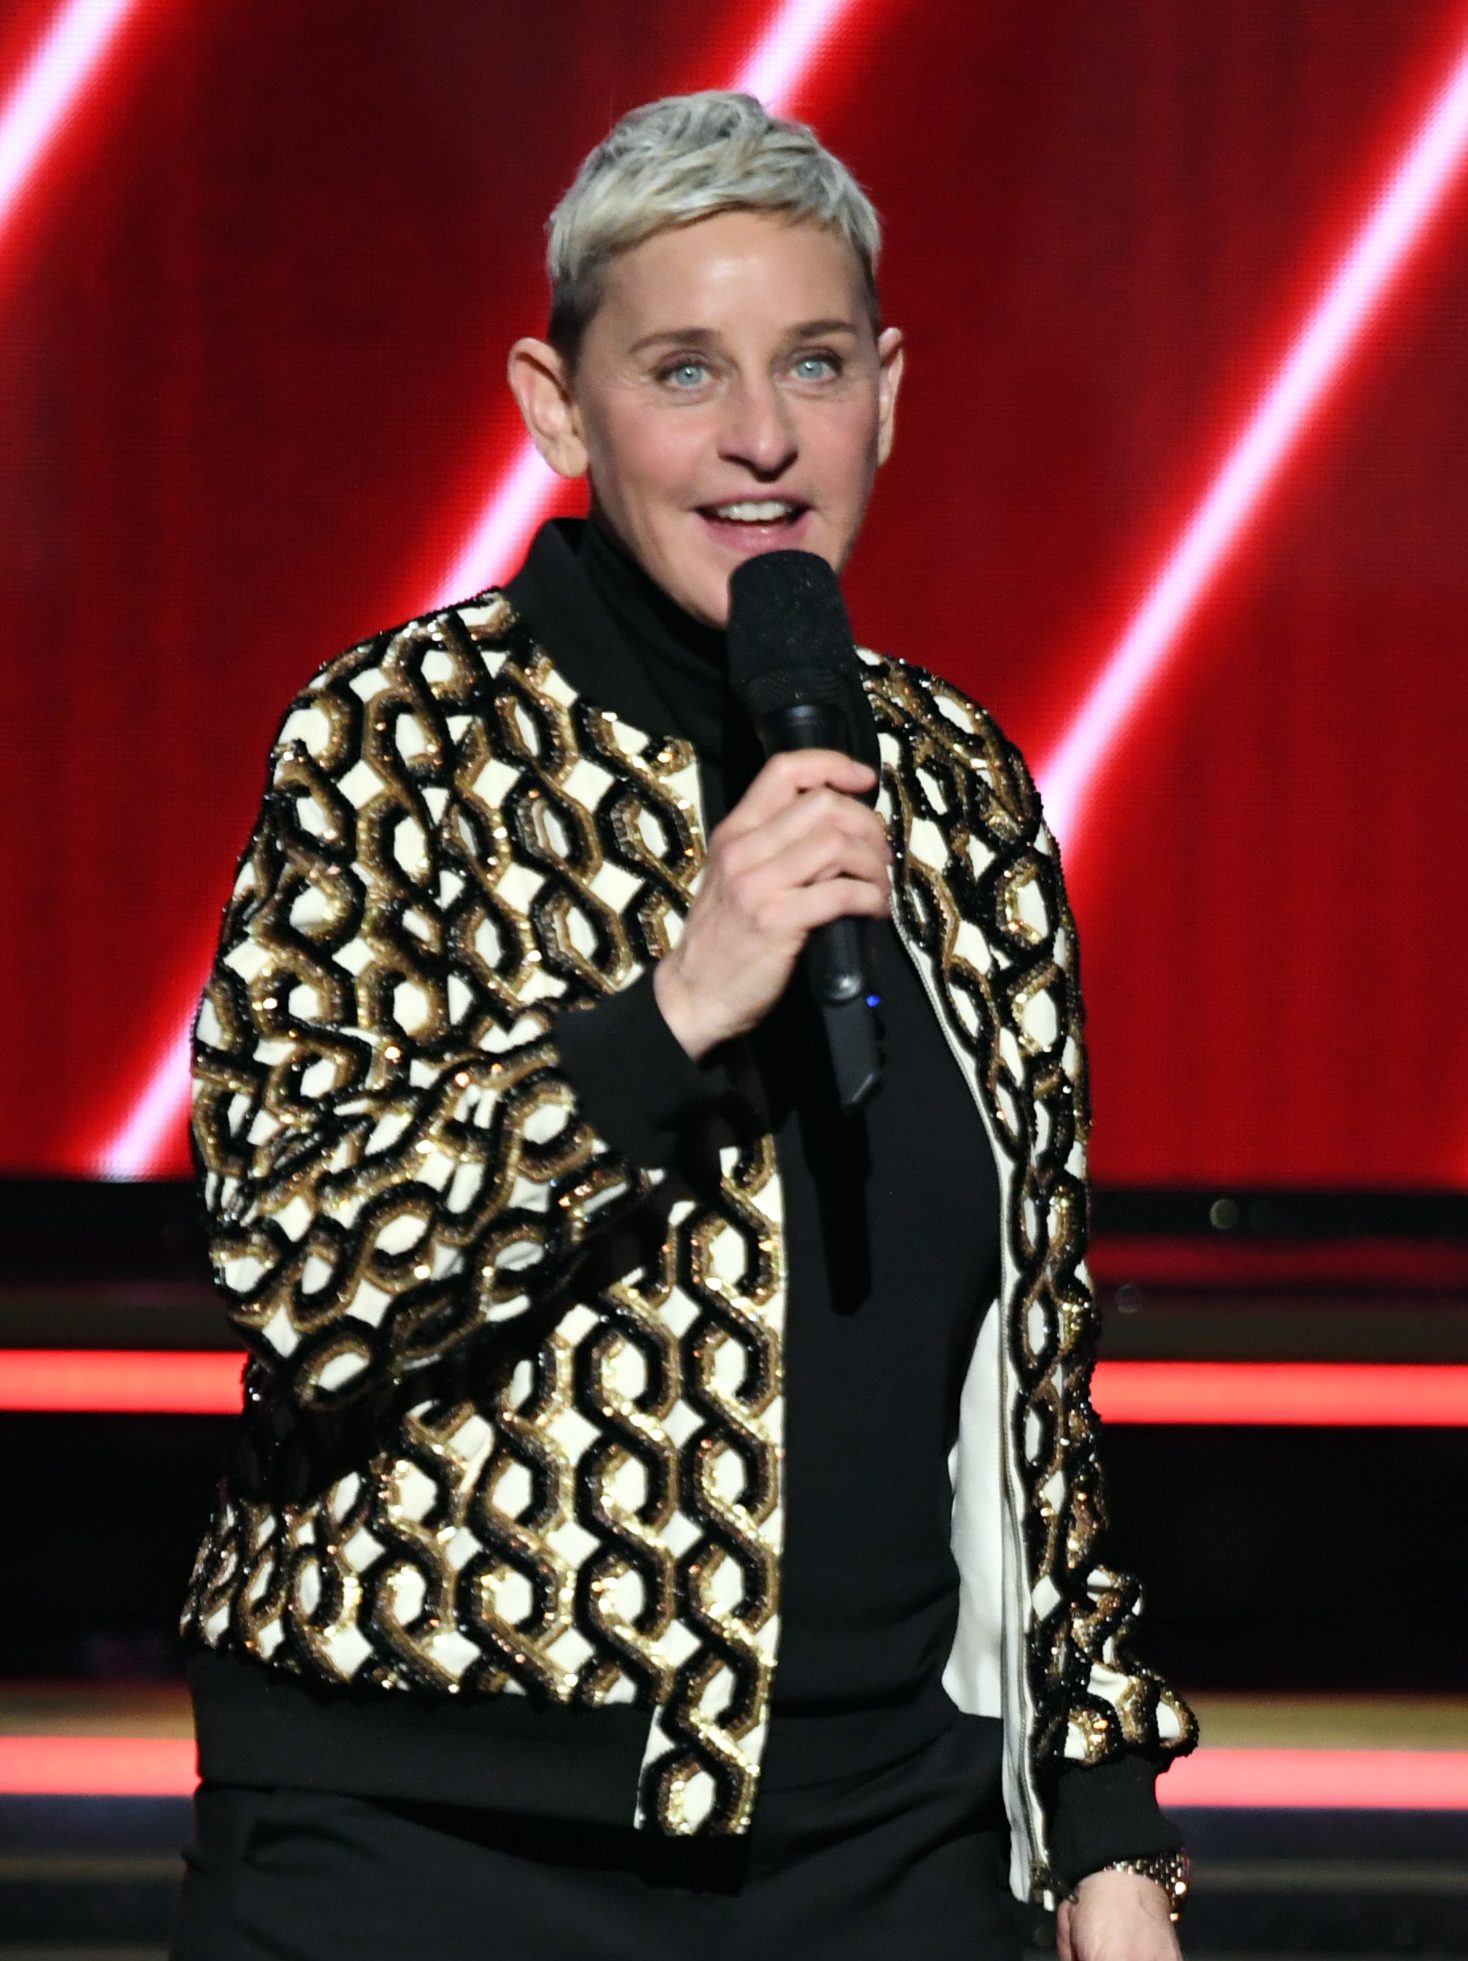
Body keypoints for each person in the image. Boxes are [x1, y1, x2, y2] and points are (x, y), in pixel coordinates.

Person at [171, 89, 1197, 1961]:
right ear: (557, 407)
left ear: (888, 389)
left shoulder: (957, 786)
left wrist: (1107, 1824)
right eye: (682, 371)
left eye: (813, 363)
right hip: (431, 1841)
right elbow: (298, 1269)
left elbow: (1030, 1373)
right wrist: (666, 1018)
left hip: (887, 1846)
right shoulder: (398, 746)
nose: (761, 437)